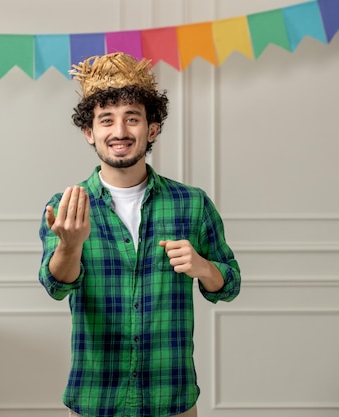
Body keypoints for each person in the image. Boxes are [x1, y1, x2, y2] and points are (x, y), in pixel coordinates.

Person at [38, 52, 241, 417]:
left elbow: (230, 283)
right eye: (106, 120)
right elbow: (56, 287)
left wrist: (203, 267)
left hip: (172, 400)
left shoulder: (192, 204)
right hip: (96, 399)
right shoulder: (66, 206)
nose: (119, 132)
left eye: (132, 118)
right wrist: (70, 245)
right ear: (89, 132)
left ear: (152, 129)